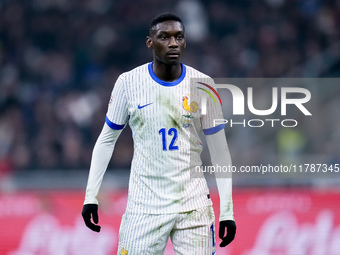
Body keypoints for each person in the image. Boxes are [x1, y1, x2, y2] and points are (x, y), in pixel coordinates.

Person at [82, 13, 236, 254]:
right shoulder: (128, 83)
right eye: (164, 37)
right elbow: (106, 140)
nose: (173, 43)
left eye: (179, 37)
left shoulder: (204, 85)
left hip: (193, 206)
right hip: (144, 207)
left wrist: (227, 210)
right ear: (150, 42)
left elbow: (219, 150)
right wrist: (91, 196)